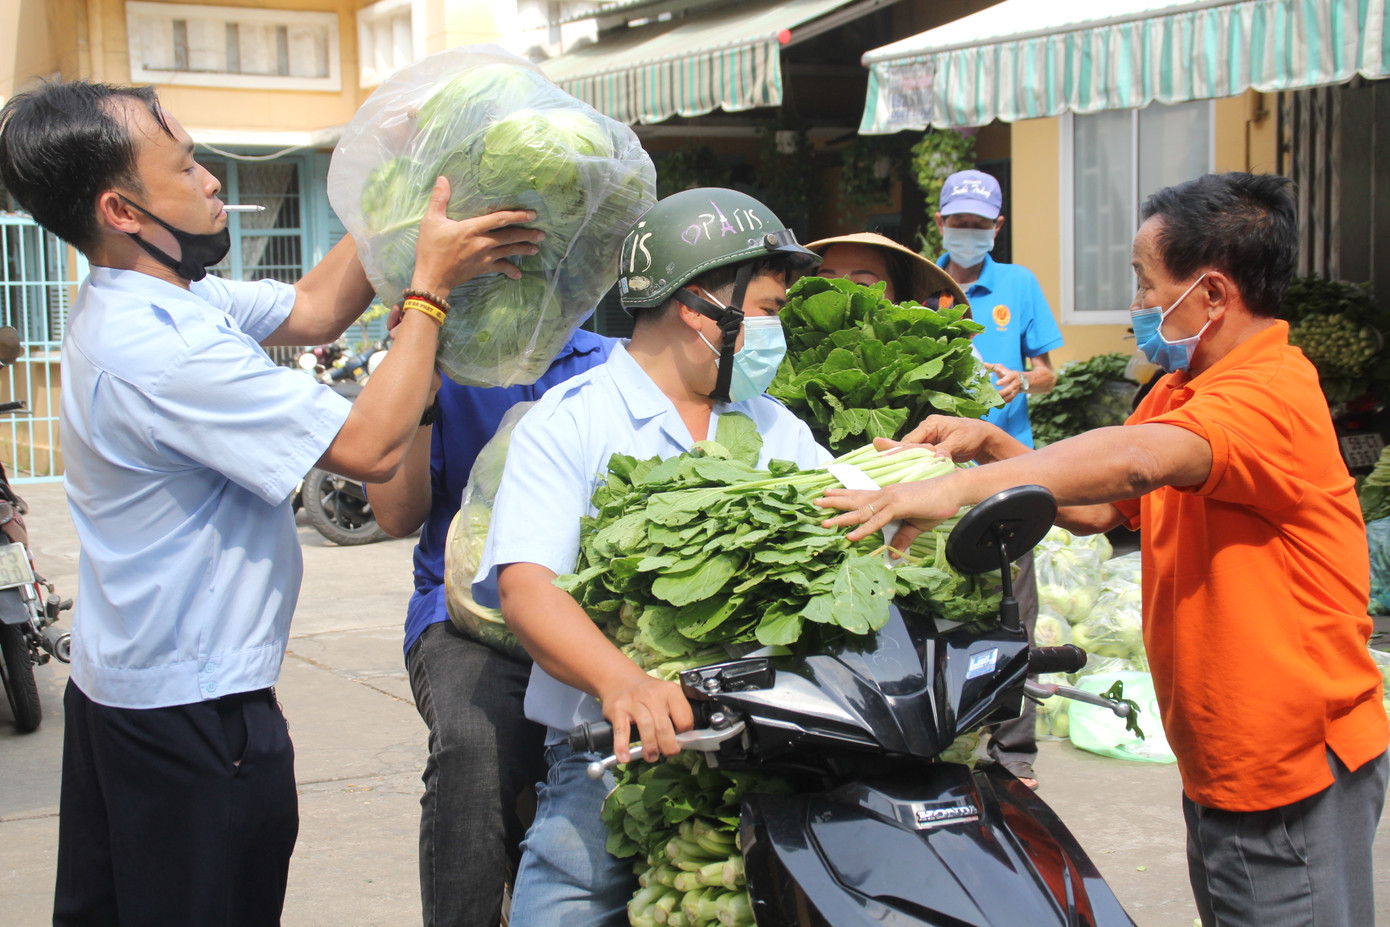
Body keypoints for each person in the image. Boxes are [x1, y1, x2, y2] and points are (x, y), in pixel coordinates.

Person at [0, 80, 544, 926]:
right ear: (123, 209)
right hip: (191, 718)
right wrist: (429, 288)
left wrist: (416, 177)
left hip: (130, 693)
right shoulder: (161, 349)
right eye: (184, 166)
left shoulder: (165, 299)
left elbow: (321, 304)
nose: (212, 179)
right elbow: (369, 445)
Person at [819, 172, 1389, 927]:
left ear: (1212, 295)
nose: (1140, 304)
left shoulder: (1271, 393)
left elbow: (1135, 460)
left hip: (1289, 765)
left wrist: (946, 494)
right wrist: (988, 447)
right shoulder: (1181, 386)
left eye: (1145, 282)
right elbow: (1097, 507)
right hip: (1225, 759)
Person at [472, 188, 827, 925]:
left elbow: (842, 520)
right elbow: (528, 588)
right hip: (614, 754)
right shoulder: (571, 423)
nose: (776, 332)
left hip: (766, 746)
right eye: (767, 308)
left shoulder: (774, 424)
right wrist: (624, 682)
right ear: (698, 309)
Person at [366, 321, 615, 926]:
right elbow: (397, 513)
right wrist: (421, 388)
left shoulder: (615, 364)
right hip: (465, 620)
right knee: (474, 753)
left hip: (595, 617)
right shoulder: (433, 360)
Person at [933, 168, 1065, 789]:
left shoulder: (1020, 284)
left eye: (980, 227)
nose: (969, 235)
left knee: (1016, 612)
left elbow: (1049, 372)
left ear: (998, 228)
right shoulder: (924, 286)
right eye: (960, 225)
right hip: (938, 473)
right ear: (940, 225)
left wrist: (1022, 379)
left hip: (1011, 469)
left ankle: (1013, 752)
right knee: (942, 607)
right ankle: (945, 737)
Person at [807, 230, 967, 309]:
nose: (842, 294)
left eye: (862, 286)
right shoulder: (784, 352)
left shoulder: (931, 365)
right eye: (826, 284)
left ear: (900, 298)